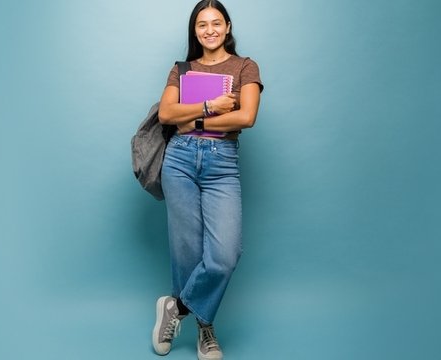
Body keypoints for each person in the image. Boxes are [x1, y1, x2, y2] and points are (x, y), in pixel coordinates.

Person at [151, 1, 263, 359]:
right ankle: (205, 328)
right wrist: (209, 107)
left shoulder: (245, 67)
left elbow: (246, 117)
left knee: (224, 255)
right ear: (194, 30)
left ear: (228, 27)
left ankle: (177, 308)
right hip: (180, 159)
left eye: (216, 23)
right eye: (202, 24)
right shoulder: (181, 69)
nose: (210, 30)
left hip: (222, 164)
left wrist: (194, 121)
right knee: (186, 248)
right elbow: (168, 114)